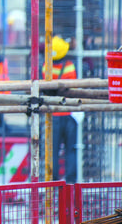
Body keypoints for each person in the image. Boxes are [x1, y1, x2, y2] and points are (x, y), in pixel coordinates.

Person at [45, 35, 78, 183]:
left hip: (53, 116)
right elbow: (74, 88)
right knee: (70, 150)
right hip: (69, 114)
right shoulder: (70, 66)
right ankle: (71, 182)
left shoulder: (46, 67)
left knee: (53, 150)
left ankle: (53, 181)